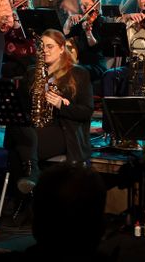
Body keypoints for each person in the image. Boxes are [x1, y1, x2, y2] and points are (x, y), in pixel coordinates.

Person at [6, 30, 93, 194]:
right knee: (17, 127)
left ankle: (28, 191)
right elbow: (21, 107)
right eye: (42, 46)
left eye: (50, 46)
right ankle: (32, 179)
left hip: (63, 131)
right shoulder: (32, 72)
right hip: (34, 128)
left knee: (18, 150)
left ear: (62, 48)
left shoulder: (79, 73)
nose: (45, 50)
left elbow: (86, 111)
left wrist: (61, 105)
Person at [63, 0, 108, 80]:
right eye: (81, 4)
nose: (83, 7)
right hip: (82, 63)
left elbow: (95, 46)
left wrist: (88, 32)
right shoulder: (82, 21)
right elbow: (66, 34)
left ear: (95, 4)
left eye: (87, 4)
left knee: (75, 71)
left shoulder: (101, 21)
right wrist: (69, 20)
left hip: (96, 65)